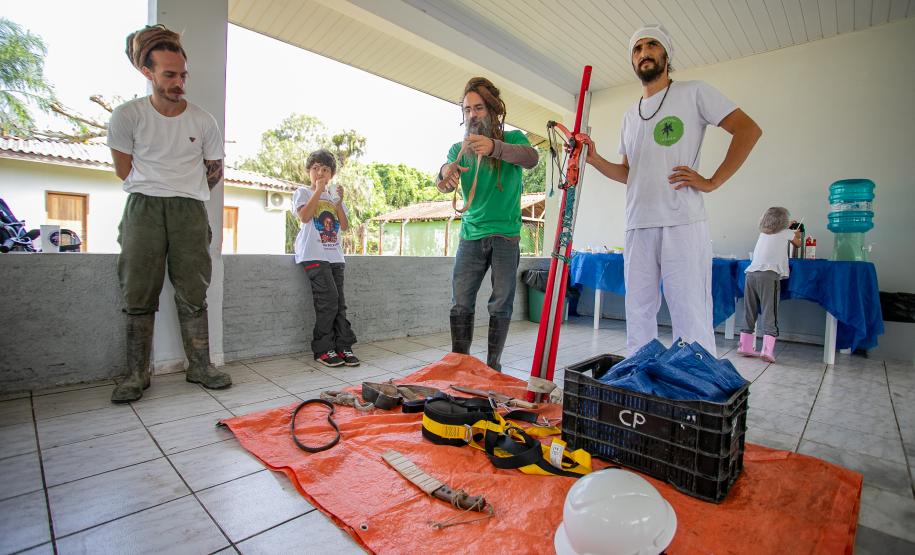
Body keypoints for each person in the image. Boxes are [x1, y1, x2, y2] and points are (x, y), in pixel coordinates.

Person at [582, 23, 762, 357]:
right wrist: (594, 159)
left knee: (689, 311)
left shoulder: (694, 93)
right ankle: (641, 379)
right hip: (638, 224)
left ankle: (694, 386)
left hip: (682, 221)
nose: (644, 53)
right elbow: (628, 173)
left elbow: (748, 130)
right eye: (637, 49)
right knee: (638, 314)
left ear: (666, 55)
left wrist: (712, 181)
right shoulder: (629, 116)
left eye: (651, 45)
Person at [107, 24, 232, 402]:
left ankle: (200, 366)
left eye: (182, 74)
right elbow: (122, 169)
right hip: (143, 207)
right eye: (169, 74)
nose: (179, 82)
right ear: (148, 73)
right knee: (138, 289)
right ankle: (135, 374)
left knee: (194, 290)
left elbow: (215, 170)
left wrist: (185, 194)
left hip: (190, 210)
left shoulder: (203, 120)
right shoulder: (126, 117)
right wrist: (158, 188)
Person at [436, 77, 538, 371]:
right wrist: (445, 172)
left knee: (501, 303)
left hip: (506, 237)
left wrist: (494, 147)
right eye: (467, 109)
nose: (472, 115)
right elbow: (442, 179)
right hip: (470, 236)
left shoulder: (514, 139)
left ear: (493, 110)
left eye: (478, 108)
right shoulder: (459, 148)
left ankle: (493, 367)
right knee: (460, 302)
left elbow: (531, 158)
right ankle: (459, 363)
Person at [293, 149, 359, 367]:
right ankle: (323, 349)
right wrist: (318, 191)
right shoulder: (303, 192)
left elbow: (345, 225)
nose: (319, 172)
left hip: (335, 256)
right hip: (313, 254)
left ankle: (343, 346)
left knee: (339, 303)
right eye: (315, 168)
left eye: (325, 169)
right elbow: (304, 217)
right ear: (308, 171)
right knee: (328, 300)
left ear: (331, 174)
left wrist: (339, 203)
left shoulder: (333, 197)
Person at [738, 207, 802, 362]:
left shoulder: (763, 233)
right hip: (769, 275)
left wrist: (788, 227)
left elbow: (777, 230)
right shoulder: (787, 233)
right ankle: (767, 350)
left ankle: (744, 346)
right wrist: (796, 233)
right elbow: (798, 244)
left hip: (751, 274)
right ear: (784, 222)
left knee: (749, 310)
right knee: (769, 311)